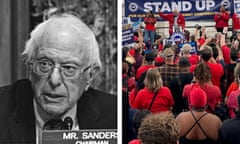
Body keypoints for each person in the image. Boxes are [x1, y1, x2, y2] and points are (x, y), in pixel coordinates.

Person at [0, 14, 117, 143]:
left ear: (89, 76)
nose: (54, 80)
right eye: (44, 64)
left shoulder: (116, 115)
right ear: (30, 67)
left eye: (69, 68)